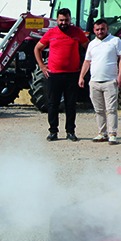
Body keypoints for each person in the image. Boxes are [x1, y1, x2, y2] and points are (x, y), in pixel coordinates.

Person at [33, 8, 89, 142]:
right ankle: (53, 131)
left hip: (72, 75)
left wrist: (85, 65)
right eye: (61, 20)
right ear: (57, 20)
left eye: (66, 20)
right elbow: (37, 48)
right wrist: (42, 66)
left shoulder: (77, 32)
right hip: (54, 75)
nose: (64, 23)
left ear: (70, 19)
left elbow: (89, 48)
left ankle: (70, 131)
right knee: (53, 104)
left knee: (70, 105)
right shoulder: (51, 33)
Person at [78, 19, 121, 145]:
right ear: (94, 30)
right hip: (94, 82)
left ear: (107, 29)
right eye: (97, 29)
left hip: (110, 81)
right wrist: (81, 77)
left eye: (102, 29)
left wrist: (120, 76)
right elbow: (87, 61)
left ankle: (112, 134)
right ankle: (102, 133)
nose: (100, 31)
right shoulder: (92, 44)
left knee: (111, 109)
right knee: (98, 110)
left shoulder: (115, 41)